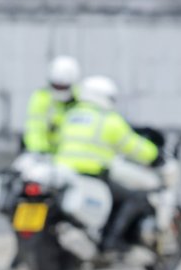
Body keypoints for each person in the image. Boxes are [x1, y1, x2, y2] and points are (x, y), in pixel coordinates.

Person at [54, 73, 160, 250]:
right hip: (92, 173)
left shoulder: (69, 115)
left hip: (64, 174)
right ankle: (112, 240)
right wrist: (155, 156)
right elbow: (133, 146)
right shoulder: (108, 120)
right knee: (136, 197)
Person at [22, 53, 79, 154]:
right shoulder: (41, 98)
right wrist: (39, 151)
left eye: (63, 87)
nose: (59, 90)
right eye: (56, 86)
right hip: (45, 152)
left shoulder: (80, 99)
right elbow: (35, 127)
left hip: (70, 155)